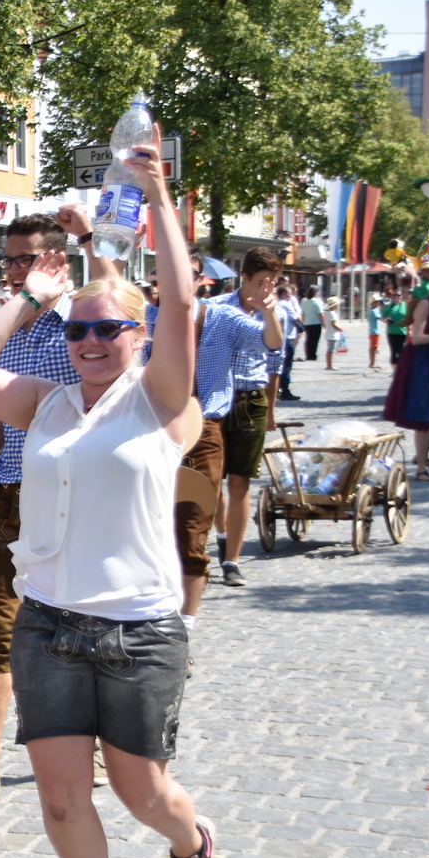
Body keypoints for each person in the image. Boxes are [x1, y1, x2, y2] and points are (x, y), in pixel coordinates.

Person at [0, 128, 217, 858]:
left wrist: (160, 198)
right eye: (80, 332)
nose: (91, 343)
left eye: (108, 331)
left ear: (139, 337)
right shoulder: (50, 402)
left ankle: (191, 837)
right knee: (61, 800)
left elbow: (178, 297)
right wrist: (32, 297)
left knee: (143, 792)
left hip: (136, 630)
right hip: (50, 624)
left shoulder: (160, 400)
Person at [0, 212, 79, 810]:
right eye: (8, 260)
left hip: (69, 497)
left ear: (54, 262)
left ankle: (79, 737)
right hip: (11, 496)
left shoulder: (81, 328)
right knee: (1, 630)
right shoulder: (8, 329)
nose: (11, 272)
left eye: (24, 260)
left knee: (70, 625)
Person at [155, 248, 281, 636]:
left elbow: (270, 344)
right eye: (168, 275)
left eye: (187, 275)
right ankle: (156, 610)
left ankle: (186, 624)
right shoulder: (146, 318)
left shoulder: (222, 318)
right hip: (154, 429)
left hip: (204, 427)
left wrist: (271, 311)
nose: (178, 282)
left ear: (198, 280)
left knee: (195, 521)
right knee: (154, 522)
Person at [209, 249, 284, 587]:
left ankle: (231, 560)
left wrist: (271, 408)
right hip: (216, 398)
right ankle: (222, 533)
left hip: (251, 400)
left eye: (273, 282)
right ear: (245, 278)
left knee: (240, 482)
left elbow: (275, 361)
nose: (266, 288)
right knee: (212, 480)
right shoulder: (218, 307)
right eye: (260, 281)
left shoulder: (275, 312)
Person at [382, 269, 429, 481]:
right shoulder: (426, 303)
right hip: (420, 361)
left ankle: (421, 456)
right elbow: (416, 338)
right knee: (424, 412)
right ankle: (421, 468)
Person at [299, 286, 324, 361]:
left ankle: (308, 354)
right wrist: (324, 322)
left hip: (307, 322)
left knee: (308, 339)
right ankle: (313, 355)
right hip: (316, 322)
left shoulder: (304, 300)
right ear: (315, 293)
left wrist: (302, 322)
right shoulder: (316, 301)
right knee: (315, 340)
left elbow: (302, 313)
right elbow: (320, 313)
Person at [367, 289, 385, 371]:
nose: (378, 303)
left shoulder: (372, 311)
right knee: (374, 347)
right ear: (373, 303)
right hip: (375, 332)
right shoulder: (374, 311)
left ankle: (372, 362)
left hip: (373, 331)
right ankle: (372, 363)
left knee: (374, 347)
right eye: (377, 301)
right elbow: (381, 318)